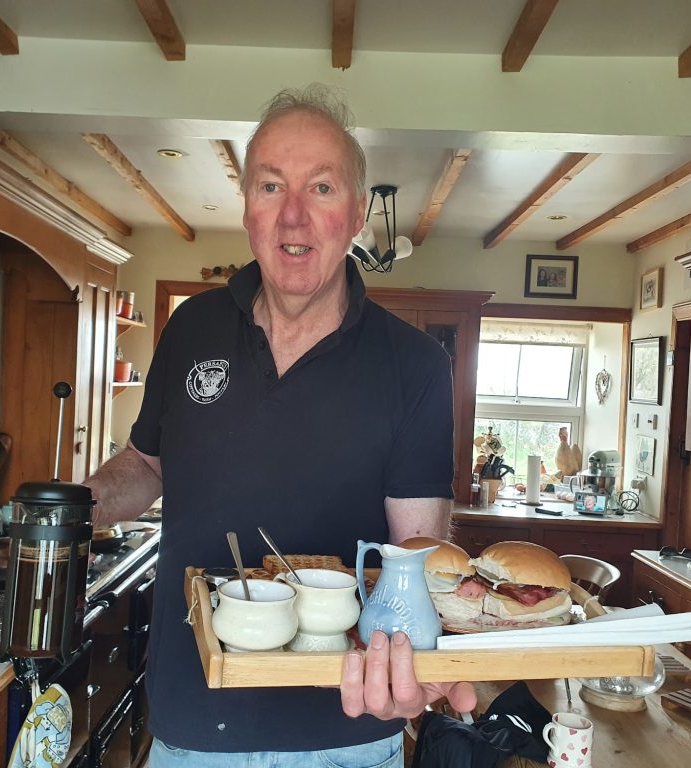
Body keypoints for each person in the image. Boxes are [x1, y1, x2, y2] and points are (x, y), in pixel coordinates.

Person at [85, 84, 475, 767]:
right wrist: (67, 508)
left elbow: (413, 551)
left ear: (356, 215)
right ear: (247, 211)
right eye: (271, 186)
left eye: (321, 189)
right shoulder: (191, 327)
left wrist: (411, 665)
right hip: (189, 725)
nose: (293, 216)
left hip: (342, 735)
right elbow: (147, 466)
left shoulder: (415, 366)